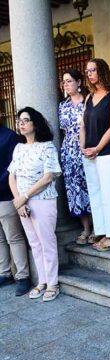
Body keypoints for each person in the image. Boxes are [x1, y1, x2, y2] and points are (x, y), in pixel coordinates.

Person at [8, 107, 62, 301]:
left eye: (25, 120)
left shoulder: (46, 147)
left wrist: (25, 196)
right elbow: (12, 176)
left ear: (35, 124)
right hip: (23, 204)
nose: (21, 123)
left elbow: (48, 177)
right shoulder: (18, 148)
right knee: (34, 244)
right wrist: (18, 200)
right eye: (19, 120)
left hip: (43, 200)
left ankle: (53, 283)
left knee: (47, 242)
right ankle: (42, 281)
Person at [80, 58, 110, 252]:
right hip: (88, 153)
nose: (89, 74)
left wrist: (97, 147)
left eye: (93, 70)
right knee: (96, 194)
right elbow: (83, 124)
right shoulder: (89, 97)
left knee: (109, 194)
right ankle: (102, 230)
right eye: (87, 71)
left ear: (102, 71)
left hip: (107, 151)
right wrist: (83, 146)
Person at [59, 68, 92, 245]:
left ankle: (97, 228)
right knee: (75, 190)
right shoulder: (62, 105)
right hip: (67, 152)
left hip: (86, 149)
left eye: (69, 80)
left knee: (91, 187)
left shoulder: (88, 101)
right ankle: (85, 228)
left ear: (79, 82)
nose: (66, 84)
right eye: (64, 81)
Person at [0, 117, 30, 296]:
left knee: (14, 237)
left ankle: (23, 276)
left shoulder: (10, 137)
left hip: (5, 194)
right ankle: (4, 272)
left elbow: (13, 169)